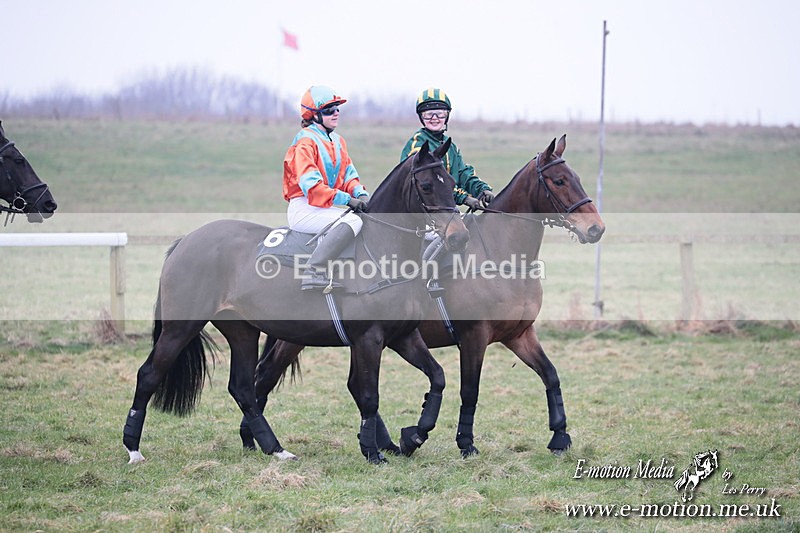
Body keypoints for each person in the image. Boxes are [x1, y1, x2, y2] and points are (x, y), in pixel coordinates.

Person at [283, 85, 369, 290]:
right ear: (314, 115)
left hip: (324, 206)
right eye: (330, 110)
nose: (336, 113)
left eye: (338, 108)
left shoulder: (338, 141)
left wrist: (361, 194)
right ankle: (314, 271)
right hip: (304, 208)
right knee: (352, 221)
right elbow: (311, 186)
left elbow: (348, 175)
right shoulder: (305, 142)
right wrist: (347, 200)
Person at [400, 88, 493, 210]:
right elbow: (435, 183)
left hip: (445, 208)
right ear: (421, 117)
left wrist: (482, 189)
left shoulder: (450, 146)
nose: (434, 118)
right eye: (428, 114)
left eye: (440, 113)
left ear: (446, 116)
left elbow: (463, 172)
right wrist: (463, 198)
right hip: (423, 213)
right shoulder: (417, 145)